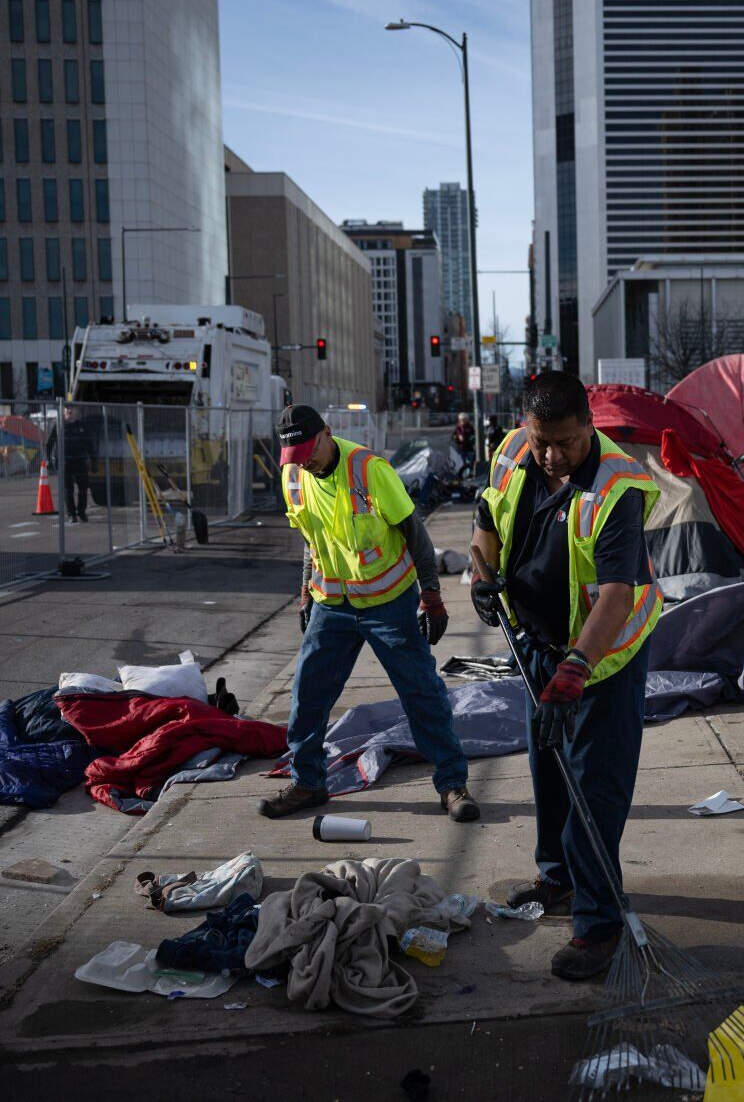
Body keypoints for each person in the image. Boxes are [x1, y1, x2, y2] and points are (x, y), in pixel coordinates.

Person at [470, 371, 663, 981]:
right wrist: (483, 577)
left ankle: (598, 923)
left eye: (566, 444)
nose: (552, 456)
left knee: (593, 790)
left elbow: (616, 594)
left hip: (602, 659)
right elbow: (487, 517)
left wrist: (577, 667)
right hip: (537, 644)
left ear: (589, 427)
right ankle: (555, 879)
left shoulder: (617, 488)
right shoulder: (512, 452)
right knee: (550, 771)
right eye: (542, 442)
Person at [261, 405, 481, 823]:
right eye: (297, 455)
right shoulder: (294, 474)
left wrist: (430, 596)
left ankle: (452, 784)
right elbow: (311, 537)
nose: (305, 460)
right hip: (332, 604)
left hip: (389, 602)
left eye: (310, 449)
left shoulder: (368, 469)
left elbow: (414, 532)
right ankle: (308, 782)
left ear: (327, 433)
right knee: (307, 695)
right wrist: (305, 594)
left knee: (422, 693)